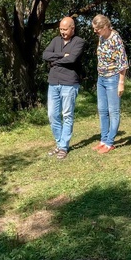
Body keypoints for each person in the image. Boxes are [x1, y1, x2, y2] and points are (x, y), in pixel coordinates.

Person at [42, 17, 85, 159]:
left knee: (67, 115)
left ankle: (63, 146)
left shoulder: (79, 41)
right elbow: (45, 55)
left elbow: (72, 59)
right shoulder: (55, 41)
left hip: (69, 83)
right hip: (53, 82)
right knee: (52, 115)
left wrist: (55, 62)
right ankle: (60, 144)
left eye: (65, 29)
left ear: (72, 28)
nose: (62, 32)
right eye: (61, 29)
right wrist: (61, 55)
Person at [90, 14, 129, 154]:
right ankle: (103, 139)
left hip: (113, 79)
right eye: (94, 29)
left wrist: (121, 83)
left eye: (97, 29)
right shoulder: (101, 38)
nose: (95, 32)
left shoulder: (115, 39)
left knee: (113, 111)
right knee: (102, 110)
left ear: (105, 27)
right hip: (101, 78)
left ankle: (110, 142)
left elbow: (123, 63)